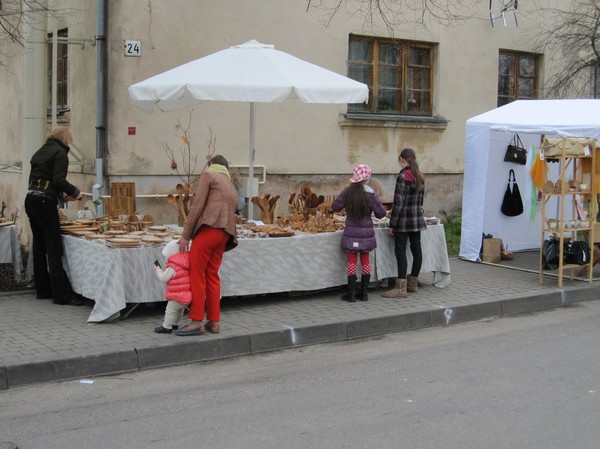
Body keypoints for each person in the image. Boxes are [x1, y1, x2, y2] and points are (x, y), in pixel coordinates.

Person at [175, 155, 239, 336]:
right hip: (225, 234)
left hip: (209, 229)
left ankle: (196, 322)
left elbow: (197, 206)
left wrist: (185, 236)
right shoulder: (230, 184)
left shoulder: (208, 175)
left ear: (211, 164)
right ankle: (214, 322)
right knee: (212, 275)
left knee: (197, 273)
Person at [25, 126, 82, 305]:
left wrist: (57, 195)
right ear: (65, 138)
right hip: (44, 202)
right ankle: (62, 295)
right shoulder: (59, 153)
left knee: (39, 245)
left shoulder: (39, 152)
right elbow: (58, 180)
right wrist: (75, 192)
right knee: (53, 247)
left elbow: (34, 179)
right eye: (69, 139)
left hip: (31, 199)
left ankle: (43, 290)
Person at [332, 164, 386, 302]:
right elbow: (381, 213)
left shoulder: (348, 192)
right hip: (366, 233)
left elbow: (335, 207)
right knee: (365, 260)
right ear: (367, 178)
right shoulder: (371, 193)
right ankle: (364, 292)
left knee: (351, 261)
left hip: (351, 232)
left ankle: (351, 293)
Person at [383, 148, 426, 298]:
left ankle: (401, 287)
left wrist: (392, 224)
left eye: (399, 160)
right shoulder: (421, 176)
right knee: (416, 250)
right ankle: (412, 283)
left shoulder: (402, 177)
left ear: (403, 160)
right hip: (416, 219)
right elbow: (421, 201)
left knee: (400, 251)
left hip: (403, 221)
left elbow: (398, 203)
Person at [153, 239, 192, 334]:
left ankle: (166, 327)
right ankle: (175, 324)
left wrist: (158, 270)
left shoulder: (173, 267)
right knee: (179, 310)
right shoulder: (186, 263)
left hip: (176, 295)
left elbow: (164, 278)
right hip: (186, 294)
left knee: (170, 310)